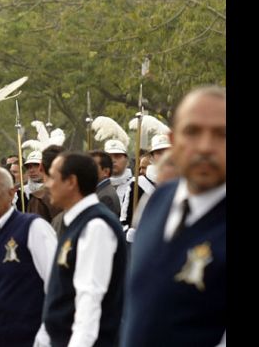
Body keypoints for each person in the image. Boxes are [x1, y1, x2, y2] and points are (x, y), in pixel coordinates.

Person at [121, 86, 226, 347]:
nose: (205, 147)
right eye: (192, 132)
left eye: (221, 134)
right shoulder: (158, 199)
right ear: (173, 140)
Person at [41, 152, 127, 347]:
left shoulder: (95, 226)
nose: (47, 184)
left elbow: (89, 300)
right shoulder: (77, 223)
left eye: (53, 177)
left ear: (71, 181)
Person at [0, 165, 58, 347]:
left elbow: (59, 287)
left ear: (11, 193)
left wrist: (45, 337)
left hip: (33, 339)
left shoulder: (33, 228)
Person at [89, 150, 121, 218]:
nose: (86, 169)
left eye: (91, 166)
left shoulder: (106, 197)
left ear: (106, 172)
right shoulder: (101, 191)